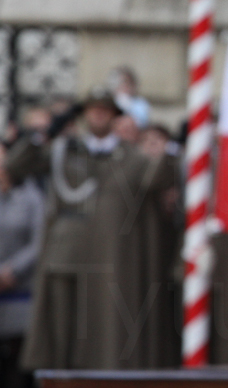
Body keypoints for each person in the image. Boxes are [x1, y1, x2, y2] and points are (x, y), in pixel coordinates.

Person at [6, 88, 175, 369]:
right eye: (92, 109)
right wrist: (45, 132)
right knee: (63, 342)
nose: (98, 115)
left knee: (109, 340)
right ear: (83, 115)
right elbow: (17, 165)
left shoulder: (132, 158)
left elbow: (159, 180)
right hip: (67, 259)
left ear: (115, 117)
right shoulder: (64, 151)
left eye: (105, 110)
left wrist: (165, 151)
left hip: (112, 261)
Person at [0, 145, 45, 388]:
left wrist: (12, 271)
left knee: (17, 368)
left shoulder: (31, 197)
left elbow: (39, 241)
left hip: (19, 291)